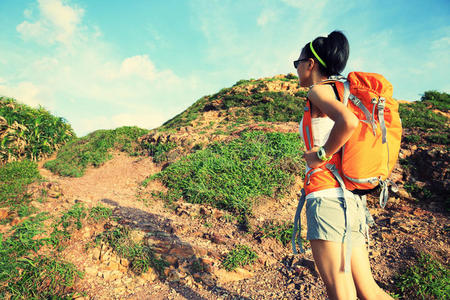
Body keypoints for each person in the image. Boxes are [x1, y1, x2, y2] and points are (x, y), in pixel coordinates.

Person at [294, 31, 393, 300]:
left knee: (341, 290)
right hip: (349, 200)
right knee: (368, 291)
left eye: (298, 62)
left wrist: (321, 155)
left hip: (326, 197)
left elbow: (348, 122)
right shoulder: (343, 91)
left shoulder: (318, 90)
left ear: (311, 64)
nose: (297, 68)